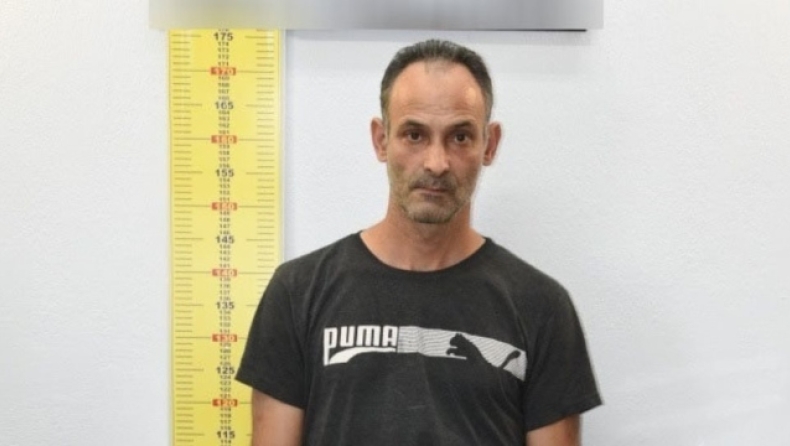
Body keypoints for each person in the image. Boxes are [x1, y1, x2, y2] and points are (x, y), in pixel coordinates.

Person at [236, 39, 602, 446]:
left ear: (490, 144)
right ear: (381, 140)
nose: (436, 163)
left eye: (460, 137)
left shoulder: (542, 307)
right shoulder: (298, 292)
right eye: (414, 135)